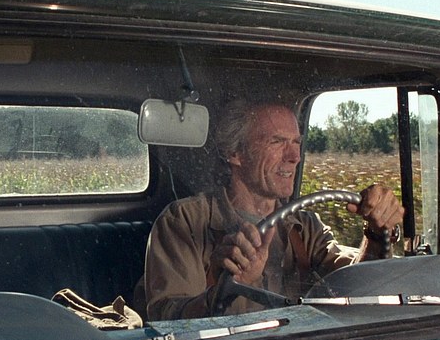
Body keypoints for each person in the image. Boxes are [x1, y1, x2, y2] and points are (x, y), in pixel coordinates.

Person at [142, 99, 405, 320]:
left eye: (297, 142)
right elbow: (168, 320)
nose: (295, 157)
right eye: (277, 142)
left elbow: (356, 290)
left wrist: (376, 233)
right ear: (235, 153)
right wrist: (231, 287)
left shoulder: (304, 227)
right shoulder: (184, 222)